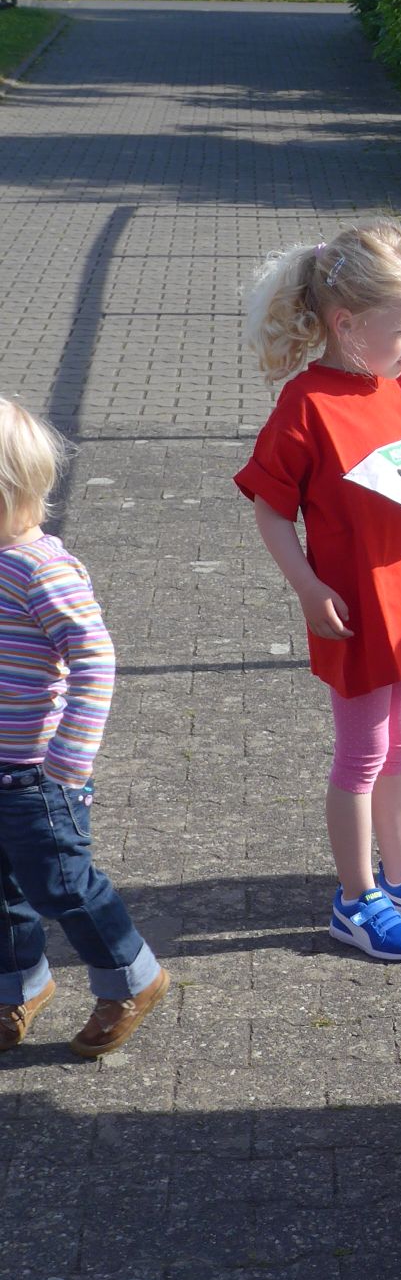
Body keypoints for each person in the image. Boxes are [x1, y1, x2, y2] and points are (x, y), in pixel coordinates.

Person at [235, 222, 401, 964]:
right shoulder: (306, 405)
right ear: (346, 324)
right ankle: (356, 896)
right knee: (363, 754)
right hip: (358, 610)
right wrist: (306, 588)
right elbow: (271, 508)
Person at [0, 398, 169, 1057]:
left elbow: (94, 656)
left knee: (64, 886)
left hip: (36, 774)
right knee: (4, 892)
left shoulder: (39, 569)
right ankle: (20, 986)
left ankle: (133, 978)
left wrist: (71, 753)